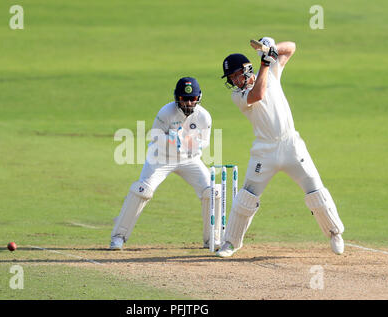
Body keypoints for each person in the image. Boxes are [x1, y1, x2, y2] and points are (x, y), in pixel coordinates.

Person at [216, 37, 345, 257]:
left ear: (247, 69)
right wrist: (265, 63)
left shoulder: (271, 70)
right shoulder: (238, 95)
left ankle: (335, 233)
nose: (235, 80)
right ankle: (231, 242)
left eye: (237, 74)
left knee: (315, 188)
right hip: (264, 151)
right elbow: (258, 94)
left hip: (291, 145)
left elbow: (292, 48)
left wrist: (271, 50)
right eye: (231, 77)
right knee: (247, 196)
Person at [110, 77, 221, 250]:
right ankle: (118, 237)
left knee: (211, 191)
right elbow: (154, 136)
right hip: (160, 158)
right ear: (177, 97)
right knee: (142, 190)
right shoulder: (166, 112)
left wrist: (190, 144)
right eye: (184, 99)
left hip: (189, 159)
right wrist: (172, 140)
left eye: (192, 99)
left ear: (199, 97)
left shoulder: (204, 116)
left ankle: (212, 239)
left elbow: (205, 142)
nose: (189, 103)